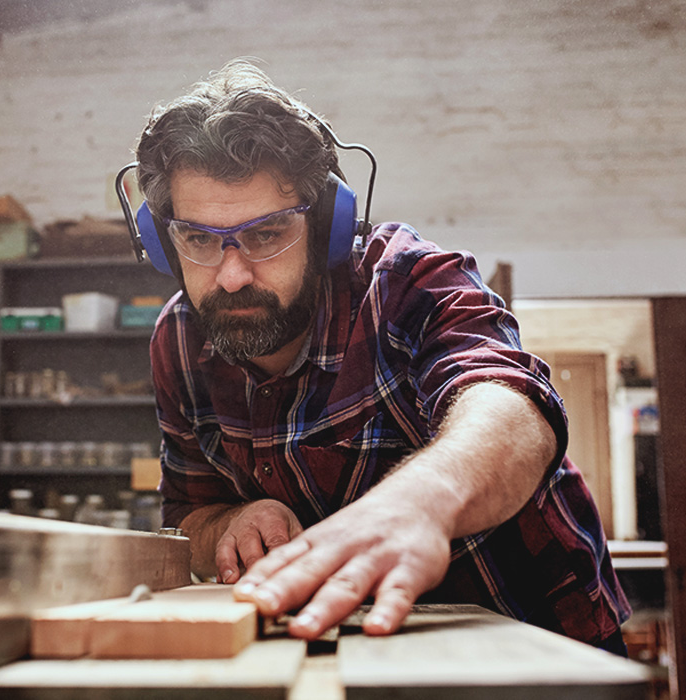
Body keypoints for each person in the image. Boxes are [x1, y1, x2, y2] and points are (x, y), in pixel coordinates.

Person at [129, 59, 630, 653]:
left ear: (326, 229)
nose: (232, 275)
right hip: (347, 648)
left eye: (266, 236)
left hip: (532, 636)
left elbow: (512, 405)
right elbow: (190, 509)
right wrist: (229, 526)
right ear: (164, 242)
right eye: (200, 240)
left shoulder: (405, 280)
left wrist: (420, 504)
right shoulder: (179, 339)